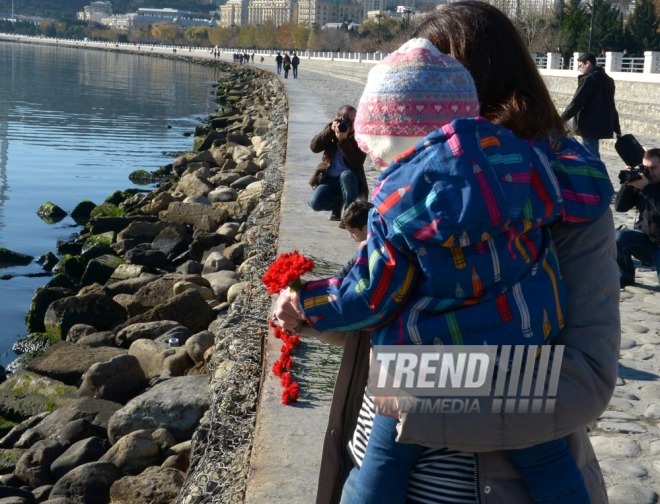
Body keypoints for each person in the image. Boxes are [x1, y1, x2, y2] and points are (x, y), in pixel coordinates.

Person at [275, 2, 620, 503]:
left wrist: (407, 396)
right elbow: (398, 301)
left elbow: (583, 380)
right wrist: (312, 316)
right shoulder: (538, 185)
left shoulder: (553, 193)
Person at [308, 105, 368, 223]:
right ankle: (337, 204)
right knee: (315, 203)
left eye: (354, 120)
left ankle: (348, 216)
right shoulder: (332, 130)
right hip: (330, 179)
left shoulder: (360, 136)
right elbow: (314, 147)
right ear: (337, 119)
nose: (350, 124)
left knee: (346, 175)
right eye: (347, 120)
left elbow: (357, 162)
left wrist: (344, 141)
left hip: (352, 180)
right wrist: (330, 130)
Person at [561, 52, 622, 159]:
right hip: (601, 123)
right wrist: (617, 128)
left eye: (580, 66)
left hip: (588, 124)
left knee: (591, 157)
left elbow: (576, 103)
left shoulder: (588, 79)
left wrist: (561, 119)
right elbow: (611, 105)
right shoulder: (608, 80)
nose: (579, 69)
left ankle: (597, 174)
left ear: (588, 63)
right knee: (591, 153)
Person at [615, 148, 660, 287]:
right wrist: (628, 185)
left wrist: (647, 189)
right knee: (618, 237)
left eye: (654, 168)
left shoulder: (646, 186)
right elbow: (620, 207)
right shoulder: (643, 182)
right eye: (646, 168)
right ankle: (625, 275)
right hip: (646, 241)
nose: (649, 172)